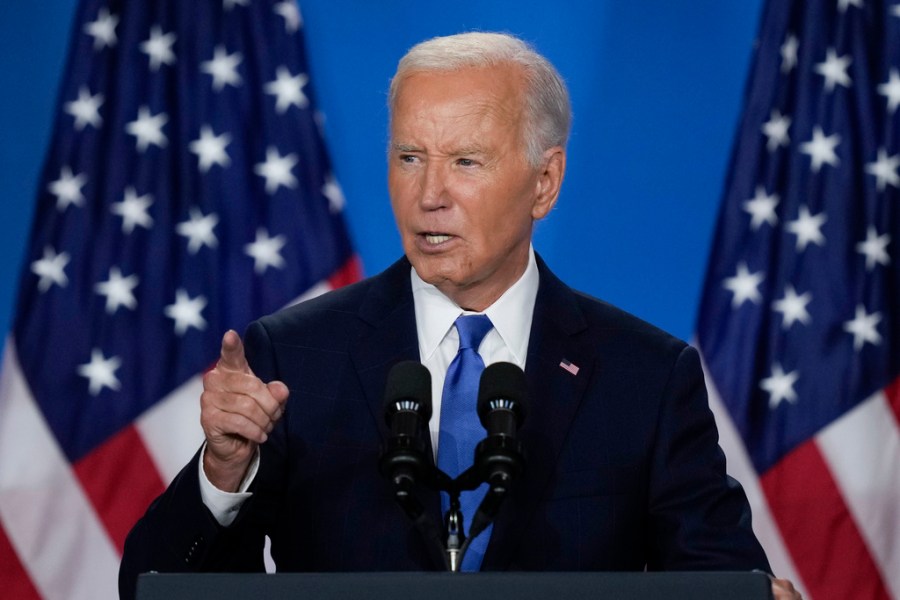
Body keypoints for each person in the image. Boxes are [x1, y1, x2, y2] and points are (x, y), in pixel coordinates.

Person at [119, 32, 800, 599]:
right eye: (409, 158)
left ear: (545, 182)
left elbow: (719, 577)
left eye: (466, 161)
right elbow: (155, 586)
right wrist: (224, 471)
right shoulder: (297, 358)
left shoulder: (644, 376)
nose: (429, 194)